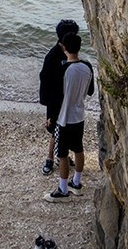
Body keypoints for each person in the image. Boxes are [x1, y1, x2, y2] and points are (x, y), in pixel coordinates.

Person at [49, 29, 95, 199]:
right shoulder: (88, 67)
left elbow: (57, 98)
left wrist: (51, 119)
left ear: (64, 48)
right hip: (79, 116)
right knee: (78, 148)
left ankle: (62, 189)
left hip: (64, 119)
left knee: (61, 154)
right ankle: (76, 182)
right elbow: (90, 91)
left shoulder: (62, 69)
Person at [39, 18, 80, 175]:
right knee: (55, 130)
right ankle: (50, 158)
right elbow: (44, 79)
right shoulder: (53, 56)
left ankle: (62, 155)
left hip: (68, 99)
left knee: (66, 129)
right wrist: (48, 105)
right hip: (55, 101)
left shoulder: (70, 52)